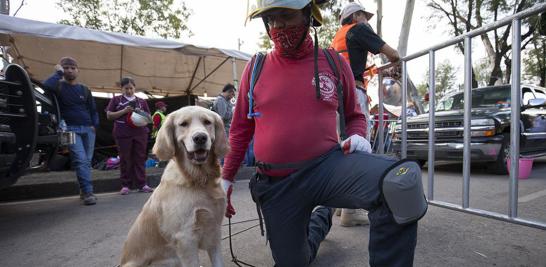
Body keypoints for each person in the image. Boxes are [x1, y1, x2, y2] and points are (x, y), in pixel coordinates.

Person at [221, 1, 423, 266]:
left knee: (400, 182)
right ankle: (321, 218)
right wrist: (226, 180)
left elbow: (354, 114)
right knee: (295, 261)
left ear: (307, 16)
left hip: (327, 169)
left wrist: (358, 135)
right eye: (271, 19)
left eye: (286, 15)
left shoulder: (333, 61)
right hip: (277, 181)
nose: (278, 26)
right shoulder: (256, 67)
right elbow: (239, 130)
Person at [331, 2, 401, 227]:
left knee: (343, 148)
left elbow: (355, 66)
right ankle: (351, 213)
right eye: (365, 16)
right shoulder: (359, 30)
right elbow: (393, 53)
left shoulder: (338, 38)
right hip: (353, 93)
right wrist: (396, 63)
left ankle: (340, 208)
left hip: (335, 96)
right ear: (356, 16)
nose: (367, 22)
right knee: (359, 146)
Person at [43, 57, 99, 205]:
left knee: (86, 161)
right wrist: (58, 74)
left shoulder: (84, 89)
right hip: (69, 129)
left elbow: (93, 109)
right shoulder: (58, 86)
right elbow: (46, 86)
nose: (69, 70)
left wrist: (95, 125)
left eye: (72, 68)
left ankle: (83, 189)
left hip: (88, 129)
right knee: (80, 160)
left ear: (77, 70)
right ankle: (88, 192)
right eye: (66, 67)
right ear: (61, 69)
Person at [106, 77, 153, 195]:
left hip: (140, 133)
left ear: (135, 88)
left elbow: (149, 118)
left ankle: (142, 184)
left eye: (131, 88)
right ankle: (126, 185)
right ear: (121, 88)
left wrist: (139, 112)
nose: (129, 91)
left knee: (140, 158)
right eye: (126, 88)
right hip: (123, 133)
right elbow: (109, 116)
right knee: (125, 158)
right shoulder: (116, 100)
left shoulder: (142, 101)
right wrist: (124, 111)